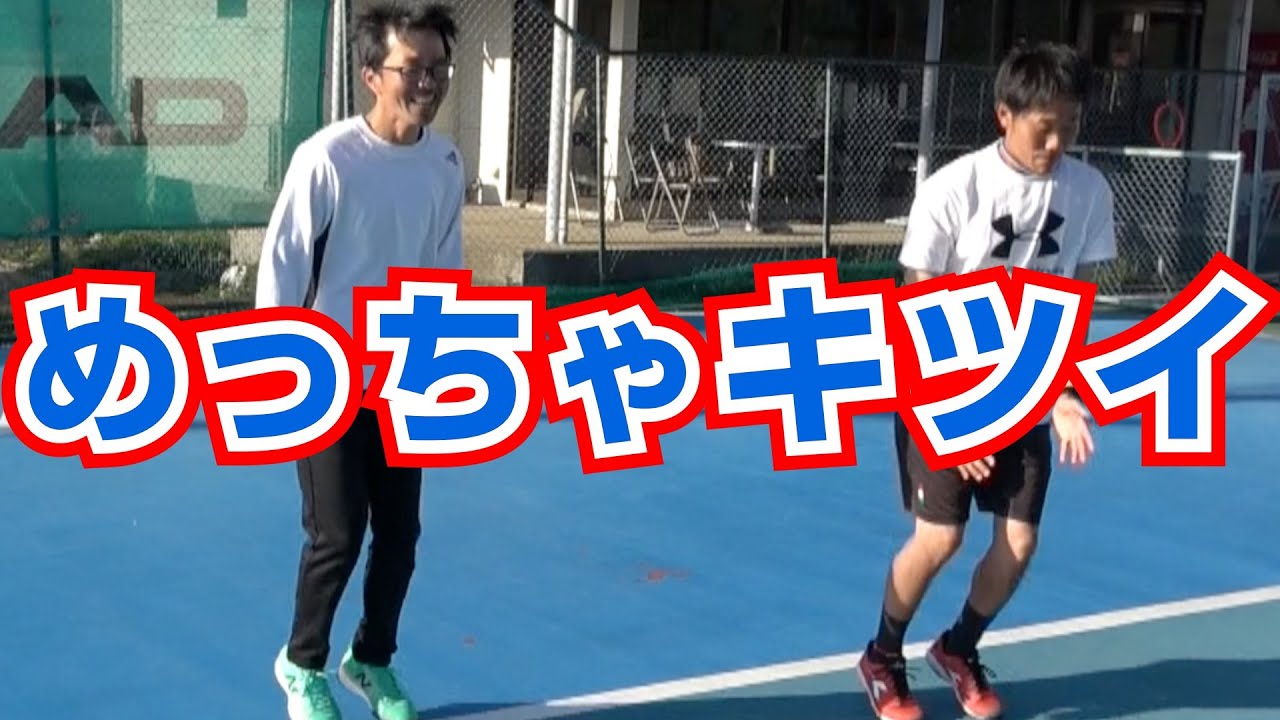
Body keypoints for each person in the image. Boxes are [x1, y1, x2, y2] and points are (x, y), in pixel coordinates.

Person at [855, 41, 1114, 720]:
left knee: (1019, 544)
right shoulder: (954, 189)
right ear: (1005, 115)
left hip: (1025, 385)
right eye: (1044, 128)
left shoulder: (1089, 192)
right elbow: (917, 308)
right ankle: (882, 656)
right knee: (940, 539)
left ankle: (958, 647)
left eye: (1070, 126)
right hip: (944, 383)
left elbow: (1075, 304)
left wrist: (1065, 394)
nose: (1057, 143)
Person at [254, 2, 464, 719]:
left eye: (438, 67)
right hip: (326, 380)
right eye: (413, 67)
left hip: (402, 377)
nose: (428, 81)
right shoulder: (327, 159)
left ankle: (370, 660)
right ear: (372, 74)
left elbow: (443, 266)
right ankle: (300, 665)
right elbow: (282, 266)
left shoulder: (444, 163)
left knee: (400, 537)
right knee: (337, 534)